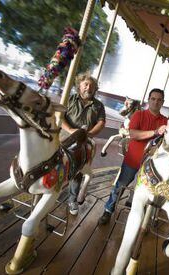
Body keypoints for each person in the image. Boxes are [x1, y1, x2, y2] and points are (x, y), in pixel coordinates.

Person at [98, 88, 167, 224]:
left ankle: (145, 218)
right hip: (134, 159)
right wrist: (155, 131)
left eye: (159, 100)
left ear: (163, 102)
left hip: (152, 165)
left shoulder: (166, 121)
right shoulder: (139, 115)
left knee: (150, 191)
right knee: (121, 186)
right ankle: (108, 210)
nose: (156, 102)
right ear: (149, 100)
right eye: (153, 99)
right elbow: (134, 134)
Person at [61, 72, 106, 215]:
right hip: (64, 137)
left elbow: (101, 122)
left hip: (84, 139)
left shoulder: (98, 105)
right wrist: (70, 130)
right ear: (79, 86)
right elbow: (60, 116)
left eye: (92, 86)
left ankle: (72, 199)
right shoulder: (70, 99)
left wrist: (89, 134)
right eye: (86, 84)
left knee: (78, 169)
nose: (88, 88)